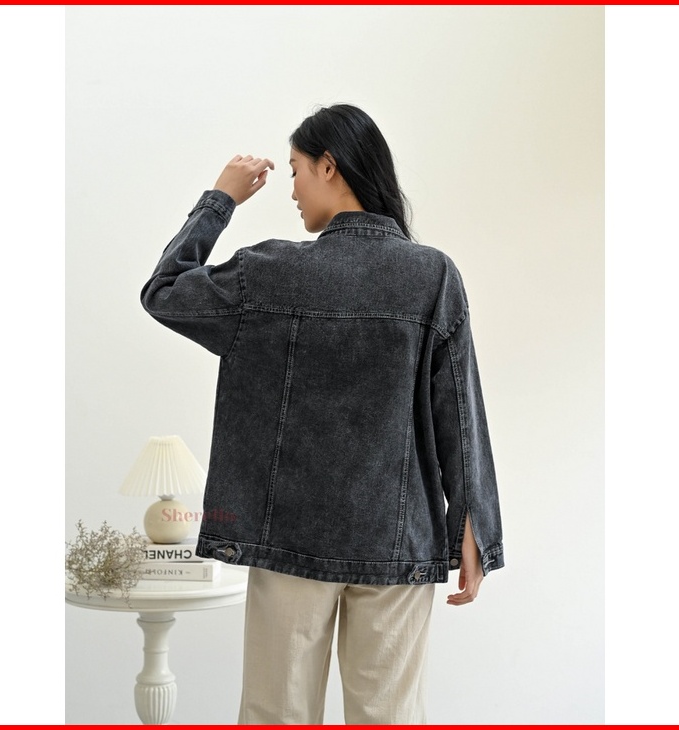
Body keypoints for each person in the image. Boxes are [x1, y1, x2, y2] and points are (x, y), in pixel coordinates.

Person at [141, 103, 504, 725]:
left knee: (276, 715)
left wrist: (221, 199)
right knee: (390, 718)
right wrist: (476, 527)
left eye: (295, 170)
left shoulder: (268, 272)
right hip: (398, 541)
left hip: (290, 540)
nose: (291, 189)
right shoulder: (432, 276)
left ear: (329, 167)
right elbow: (460, 411)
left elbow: (165, 292)